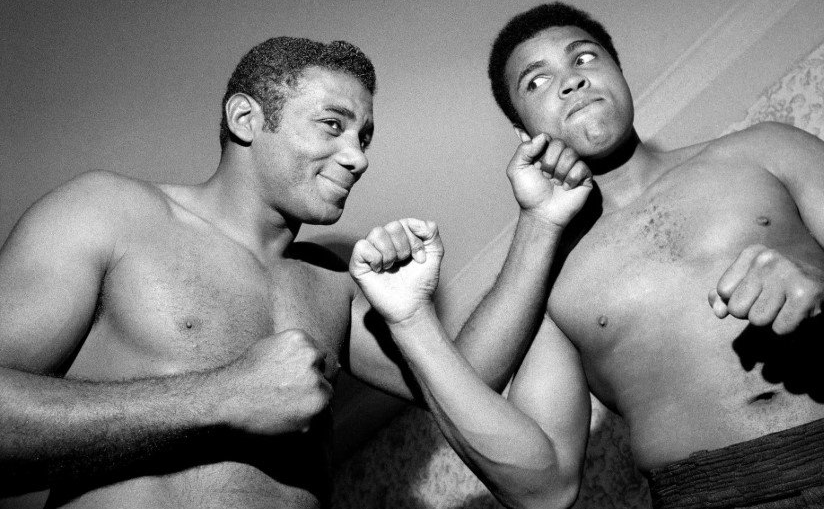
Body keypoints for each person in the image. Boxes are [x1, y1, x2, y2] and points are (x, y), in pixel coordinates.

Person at [349, 3, 824, 509]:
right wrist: (413, 319)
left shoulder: (765, 151)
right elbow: (541, 489)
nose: (570, 82)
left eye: (584, 58)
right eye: (537, 81)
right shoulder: (543, 275)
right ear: (520, 129)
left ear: (619, 72)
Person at [0, 35, 593, 508]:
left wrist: (538, 222)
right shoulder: (110, 211)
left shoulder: (329, 284)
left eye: (364, 137)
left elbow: (469, 382)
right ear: (246, 118)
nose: (358, 157)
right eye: (332, 126)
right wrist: (219, 397)